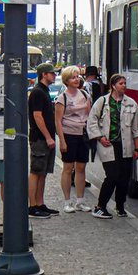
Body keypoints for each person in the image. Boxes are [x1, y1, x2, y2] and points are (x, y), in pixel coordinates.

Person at [87, 73, 138, 219]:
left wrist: (137, 148)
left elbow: (137, 128)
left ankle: (120, 206)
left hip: (126, 145)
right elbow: (92, 121)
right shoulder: (102, 102)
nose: (124, 86)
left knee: (124, 178)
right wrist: (100, 137)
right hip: (108, 145)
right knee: (112, 176)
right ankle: (100, 206)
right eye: (120, 83)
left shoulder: (131, 103)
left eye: (125, 83)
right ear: (113, 85)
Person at [54, 65, 92, 213]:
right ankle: (67, 202)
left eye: (77, 77)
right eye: (73, 77)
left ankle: (80, 201)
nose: (76, 80)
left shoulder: (84, 95)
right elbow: (58, 121)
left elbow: (90, 115)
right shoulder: (62, 98)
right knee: (68, 169)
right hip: (68, 135)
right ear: (66, 80)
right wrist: (62, 141)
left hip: (82, 134)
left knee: (81, 168)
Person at [28, 63, 59, 219]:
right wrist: (47, 136)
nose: (54, 76)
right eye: (52, 73)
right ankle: (32, 205)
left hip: (45, 138)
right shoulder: (38, 92)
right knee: (36, 171)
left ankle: (40, 203)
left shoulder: (44, 91)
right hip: (39, 138)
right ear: (44, 75)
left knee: (43, 172)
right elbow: (37, 116)